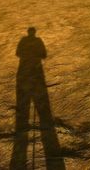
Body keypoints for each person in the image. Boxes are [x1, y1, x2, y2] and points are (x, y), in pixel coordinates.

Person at [10, 27, 66, 170]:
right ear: (33, 33)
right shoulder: (38, 40)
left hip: (24, 72)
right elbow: (44, 55)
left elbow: (18, 54)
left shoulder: (23, 41)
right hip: (36, 71)